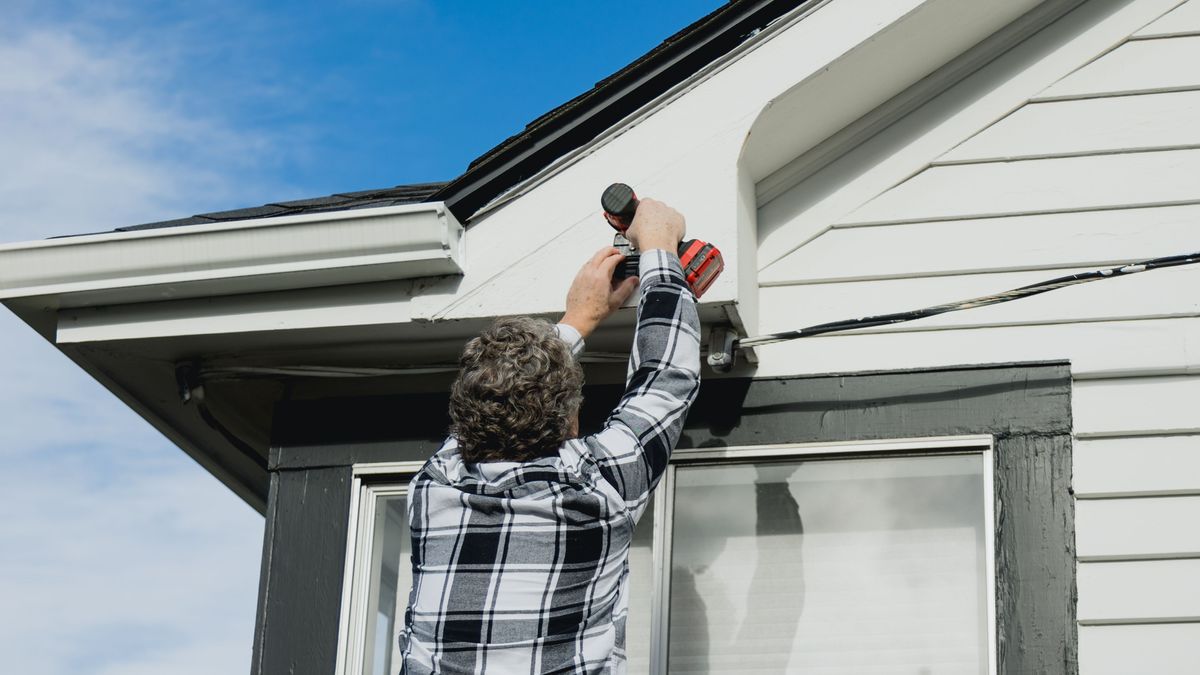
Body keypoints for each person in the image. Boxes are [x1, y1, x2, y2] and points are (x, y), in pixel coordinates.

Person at [399, 198, 701, 674]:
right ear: (569, 421)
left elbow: (663, 382)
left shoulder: (433, 487)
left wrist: (579, 319)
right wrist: (661, 249)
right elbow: (665, 379)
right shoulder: (597, 490)